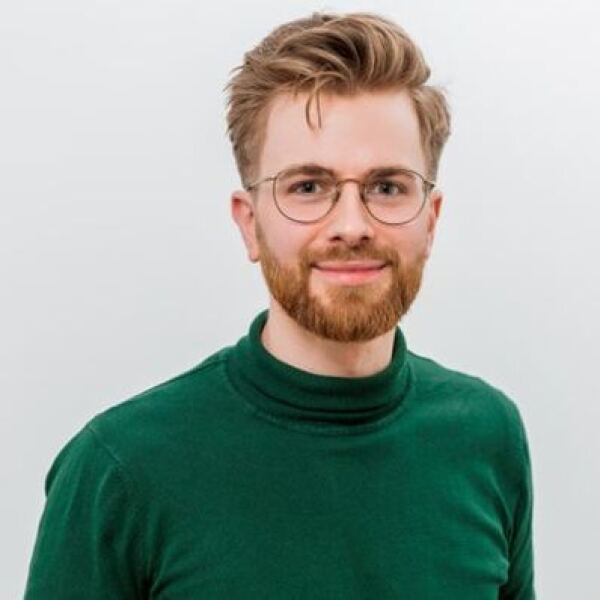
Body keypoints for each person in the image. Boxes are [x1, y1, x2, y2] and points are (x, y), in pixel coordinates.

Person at [24, 11, 535, 599]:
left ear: (431, 219)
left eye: (387, 187)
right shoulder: (122, 468)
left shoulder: (488, 435)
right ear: (250, 223)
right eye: (308, 187)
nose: (351, 225)